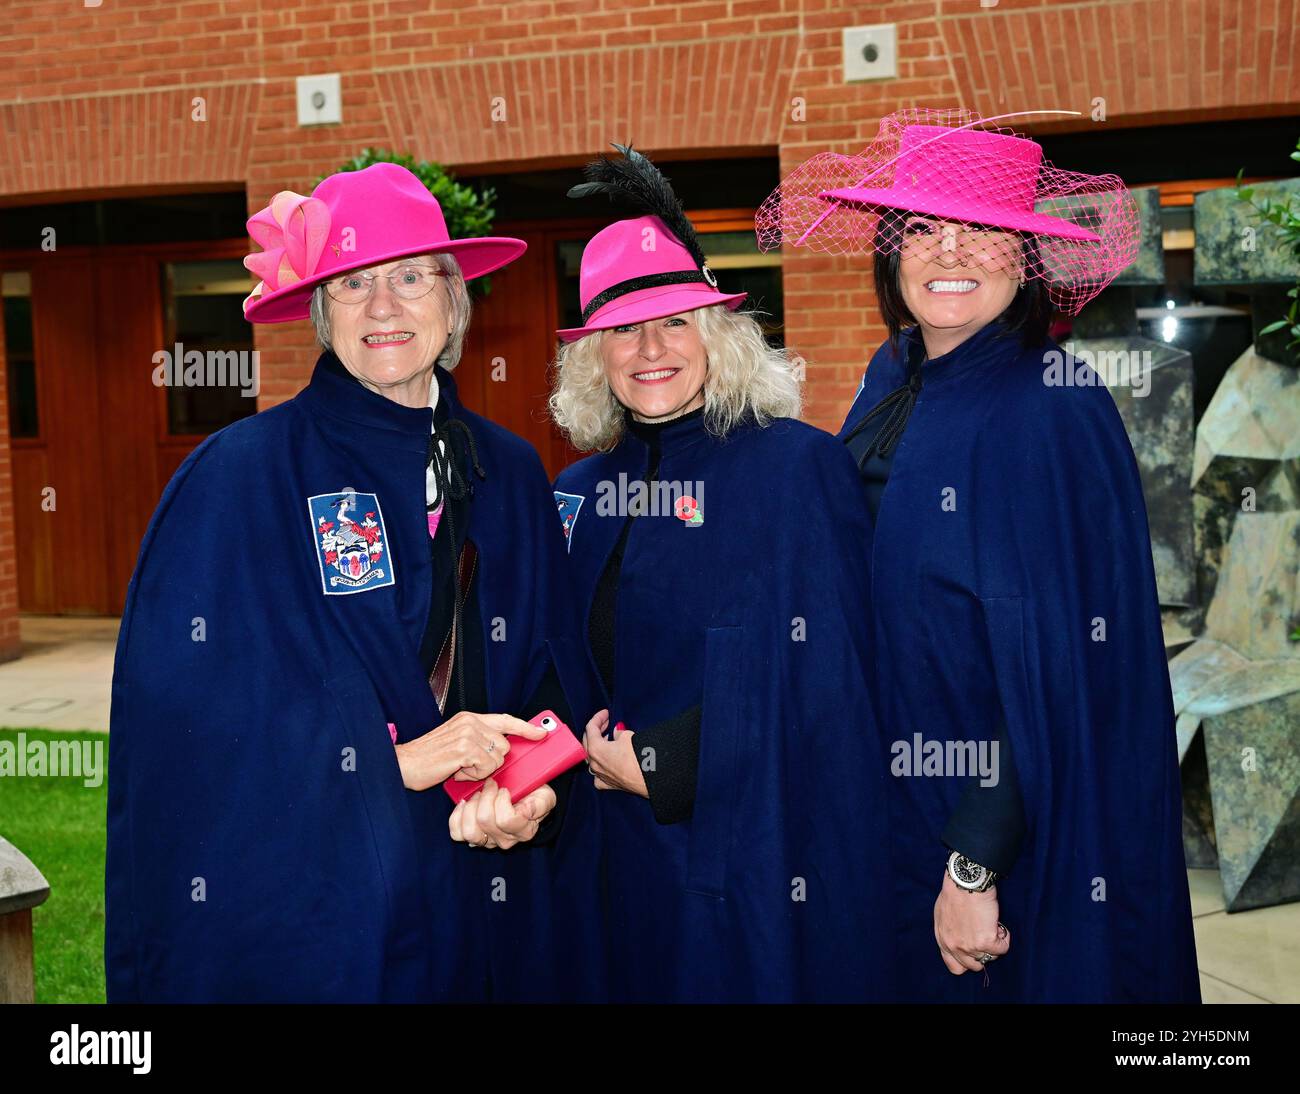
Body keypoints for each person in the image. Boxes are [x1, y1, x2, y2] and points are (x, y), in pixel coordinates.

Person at [105, 163, 601, 1003]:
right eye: (353, 282)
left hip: (484, 909)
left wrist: (532, 792)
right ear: (319, 309)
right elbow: (185, 725)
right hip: (327, 924)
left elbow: (554, 674)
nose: (383, 306)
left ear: (453, 301)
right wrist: (387, 761)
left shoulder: (510, 473)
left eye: (410, 277)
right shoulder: (236, 480)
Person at [757, 108, 1200, 1002]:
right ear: (893, 249)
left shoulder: (1055, 405)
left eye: (982, 232)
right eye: (923, 228)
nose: (948, 252)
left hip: (1007, 830)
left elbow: (1064, 669)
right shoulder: (894, 375)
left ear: (1027, 255)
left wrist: (973, 866)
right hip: (889, 801)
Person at [549, 145, 892, 1002]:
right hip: (607, 866)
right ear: (594, 353)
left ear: (720, 333)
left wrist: (664, 762)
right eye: (623, 328)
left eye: (675, 321)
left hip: (754, 860)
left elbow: (832, 675)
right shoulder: (574, 494)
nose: (650, 348)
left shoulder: (796, 470)